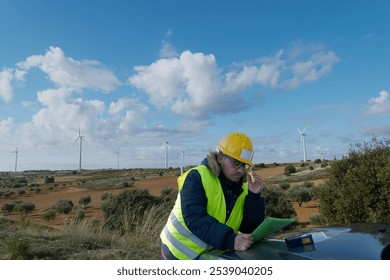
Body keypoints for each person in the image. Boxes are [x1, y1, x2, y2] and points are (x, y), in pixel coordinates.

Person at [160, 132, 265, 260]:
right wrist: (230, 240)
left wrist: (254, 197)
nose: (241, 170)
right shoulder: (197, 176)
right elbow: (195, 217)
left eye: (244, 165)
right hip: (176, 252)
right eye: (236, 163)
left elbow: (248, 228)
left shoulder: (242, 190)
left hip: (209, 254)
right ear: (220, 158)